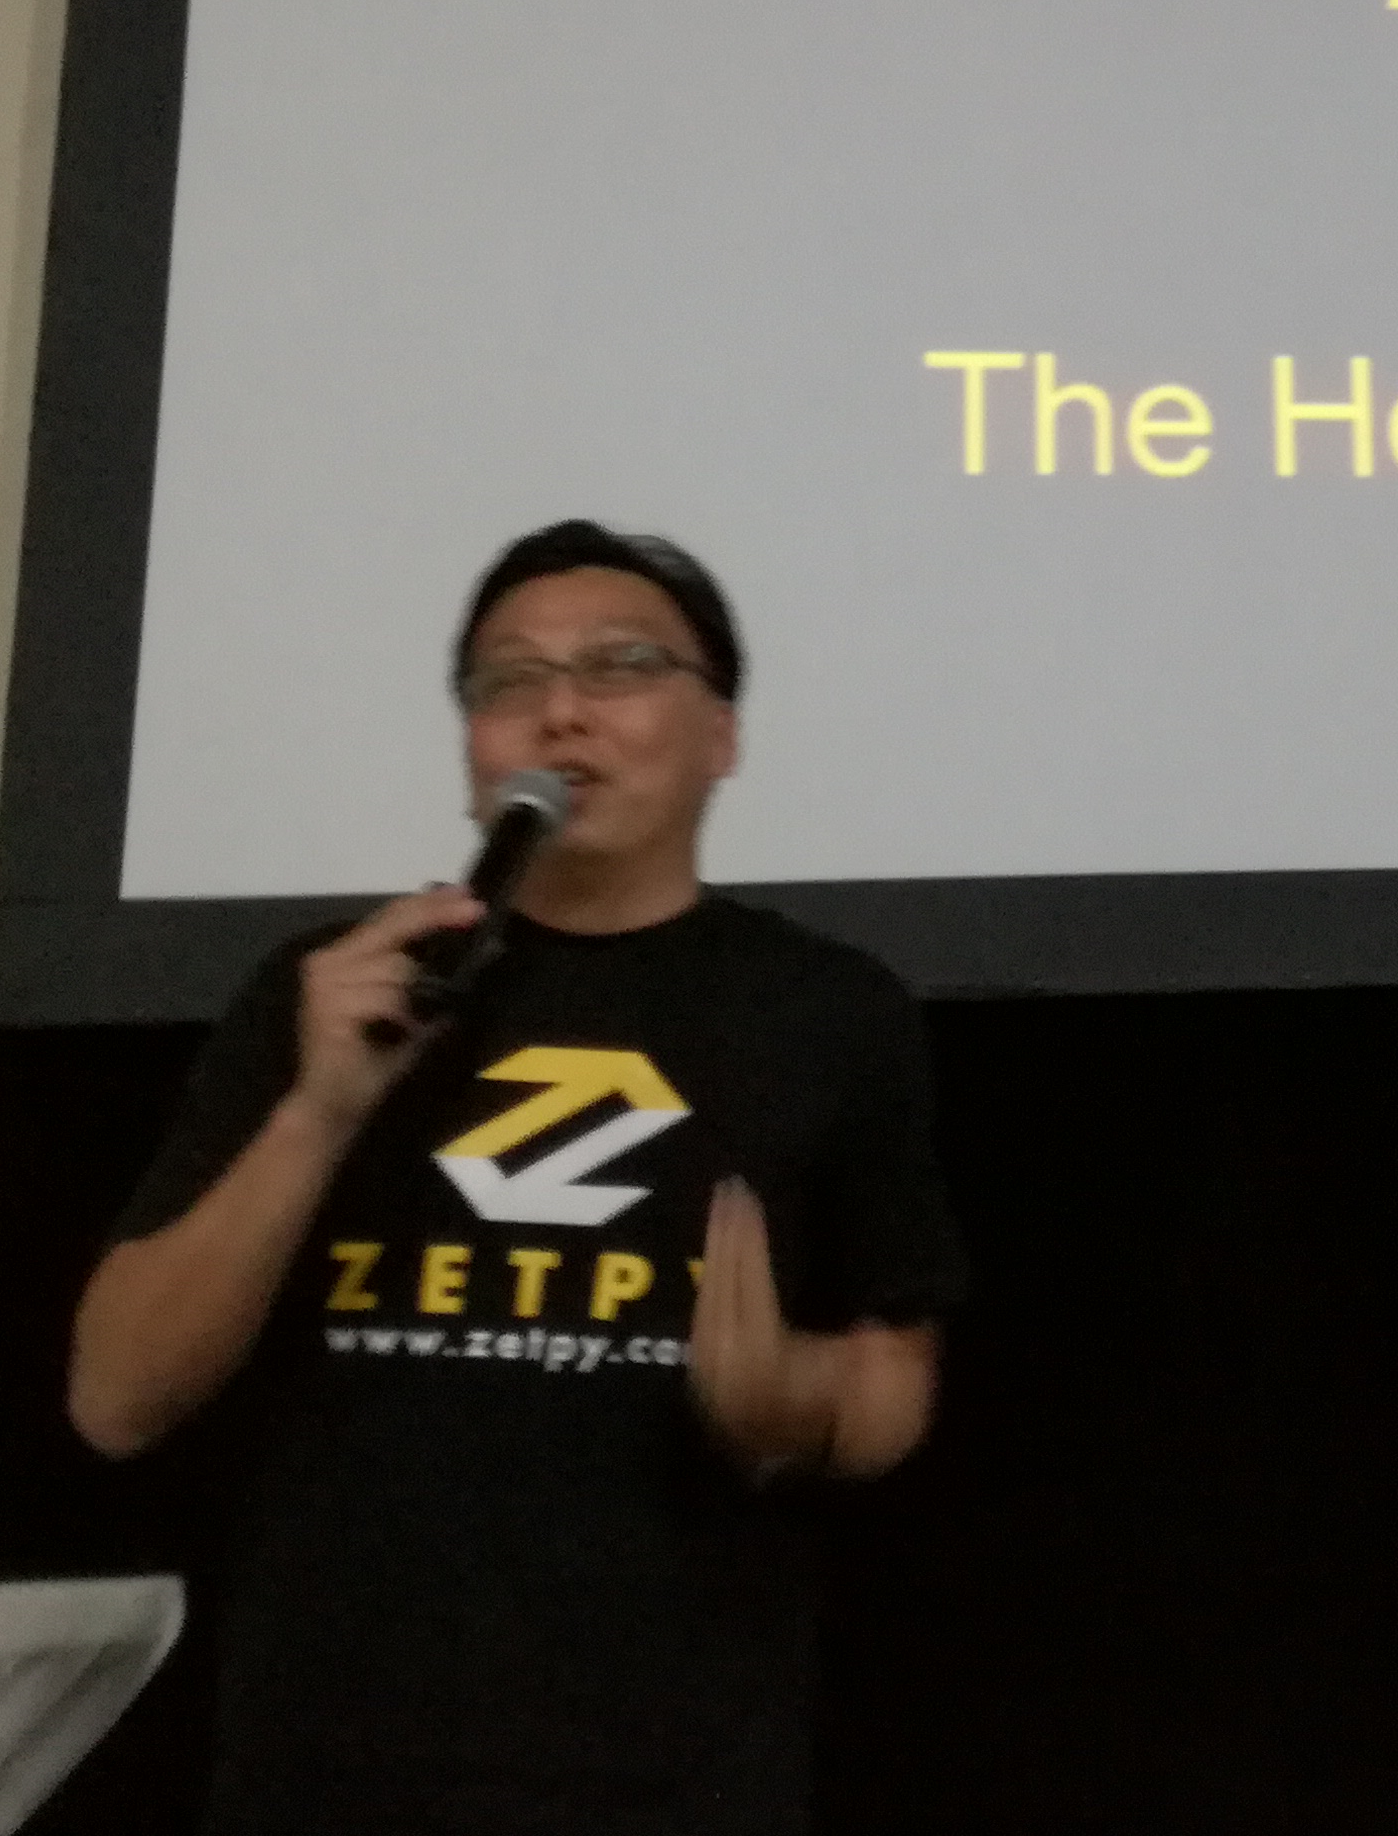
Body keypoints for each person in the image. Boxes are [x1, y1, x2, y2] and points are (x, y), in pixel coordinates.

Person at [71, 521, 962, 1836]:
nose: (560, 712)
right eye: (508, 681)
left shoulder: (824, 1009)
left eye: (621, 666)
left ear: (722, 735)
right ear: (471, 752)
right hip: (326, 1776)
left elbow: (896, 1378)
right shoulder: (336, 990)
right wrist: (320, 1111)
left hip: (673, 1779)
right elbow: (115, 1399)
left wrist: (797, 1396)